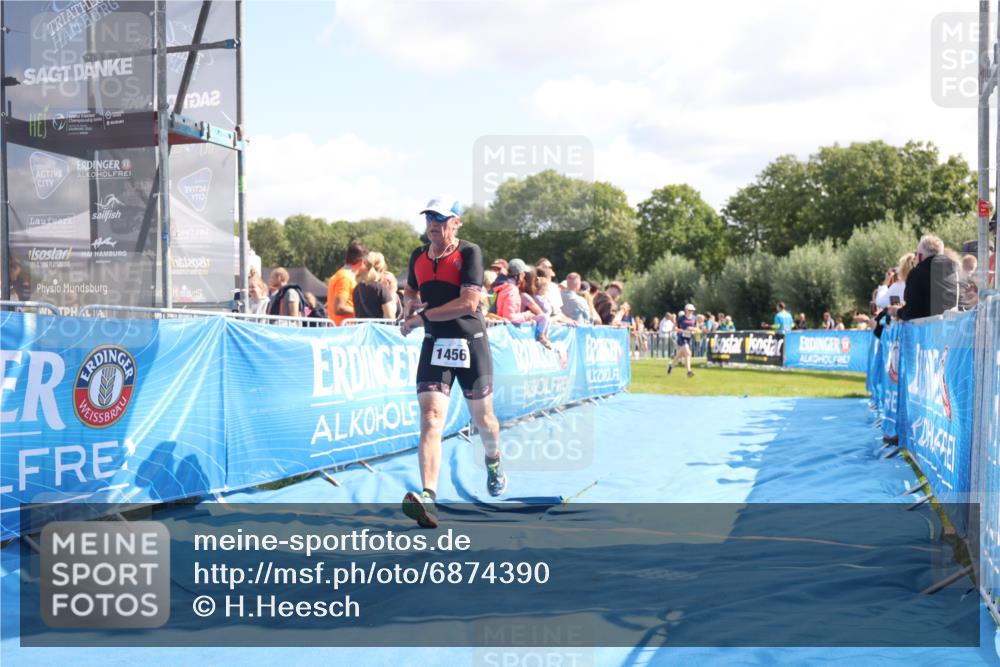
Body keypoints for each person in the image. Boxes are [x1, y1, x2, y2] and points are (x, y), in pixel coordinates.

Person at [398, 197, 505, 528]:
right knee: (430, 418)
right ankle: (429, 498)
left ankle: (493, 460)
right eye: (429, 216)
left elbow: (468, 303)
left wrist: (421, 317)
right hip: (435, 344)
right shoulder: (418, 256)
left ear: (456, 222)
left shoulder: (469, 253)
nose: (433, 223)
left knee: (484, 419)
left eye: (441, 218)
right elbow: (411, 291)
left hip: (470, 344)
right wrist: (408, 308)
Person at [895, 235, 959, 321]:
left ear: (920, 256)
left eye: (916, 254)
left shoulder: (917, 273)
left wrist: (897, 312)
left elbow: (912, 312)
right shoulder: (955, 272)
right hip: (951, 328)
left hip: (927, 330)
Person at [327, 239, 368, 325]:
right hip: (343, 331)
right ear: (361, 262)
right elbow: (339, 308)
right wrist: (362, 311)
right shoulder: (345, 278)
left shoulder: (343, 274)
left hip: (342, 329)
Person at [352, 251, 397, 320]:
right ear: (382, 269)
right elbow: (391, 317)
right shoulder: (381, 289)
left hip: (363, 330)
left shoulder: (357, 288)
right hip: (377, 330)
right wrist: (392, 291)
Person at [668, 303, 697, 378]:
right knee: (688, 352)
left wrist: (692, 329)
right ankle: (689, 371)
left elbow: (696, 328)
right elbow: (674, 328)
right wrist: (680, 330)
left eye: (692, 310)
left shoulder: (694, 318)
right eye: (690, 310)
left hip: (689, 338)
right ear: (686, 310)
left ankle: (671, 365)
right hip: (681, 337)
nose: (691, 312)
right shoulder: (681, 318)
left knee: (679, 355)